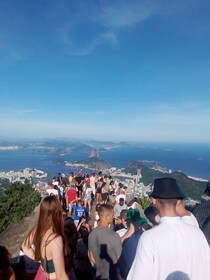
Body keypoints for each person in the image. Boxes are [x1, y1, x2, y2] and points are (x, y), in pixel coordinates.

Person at [127, 177, 210, 280]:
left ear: (154, 200)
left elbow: (139, 277)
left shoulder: (149, 238)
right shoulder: (198, 234)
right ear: (178, 201)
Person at [22, 195, 68, 280]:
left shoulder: (37, 229)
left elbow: (25, 246)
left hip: (42, 274)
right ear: (57, 213)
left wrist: (39, 259)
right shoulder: (55, 240)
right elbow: (61, 275)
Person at [88, 204, 122, 280]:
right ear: (106, 217)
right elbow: (119, 259)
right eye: (112, 215)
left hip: (98, 275)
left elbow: (90, 255)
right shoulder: (114, 235)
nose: (113, 217)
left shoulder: (91, 234)